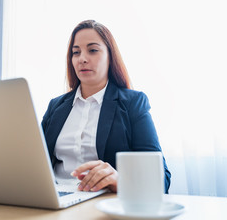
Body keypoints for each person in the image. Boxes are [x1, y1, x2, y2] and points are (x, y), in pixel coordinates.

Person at [41, 20, 171, 193]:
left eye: (93, 50)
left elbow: (161, 180)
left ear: (110, 57)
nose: (82, 59)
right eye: (76, 52)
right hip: (55, 200)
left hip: (103, 202)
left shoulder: (133, 103)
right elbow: (33, 162)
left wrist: (121, 180)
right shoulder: (55, 106)